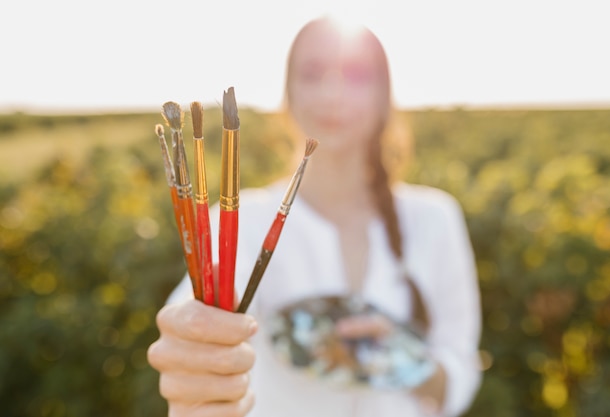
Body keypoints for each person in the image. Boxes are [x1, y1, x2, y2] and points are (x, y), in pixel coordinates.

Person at [148, 15, 482, 417]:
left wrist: (399, 359)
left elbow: (459, 373)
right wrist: (190, 348)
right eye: (312, 73)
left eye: (356, 74)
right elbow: (192, 311)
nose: (333, 92)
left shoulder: (436, 218)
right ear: (287, 96)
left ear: (386, 96)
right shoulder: (242, 220)